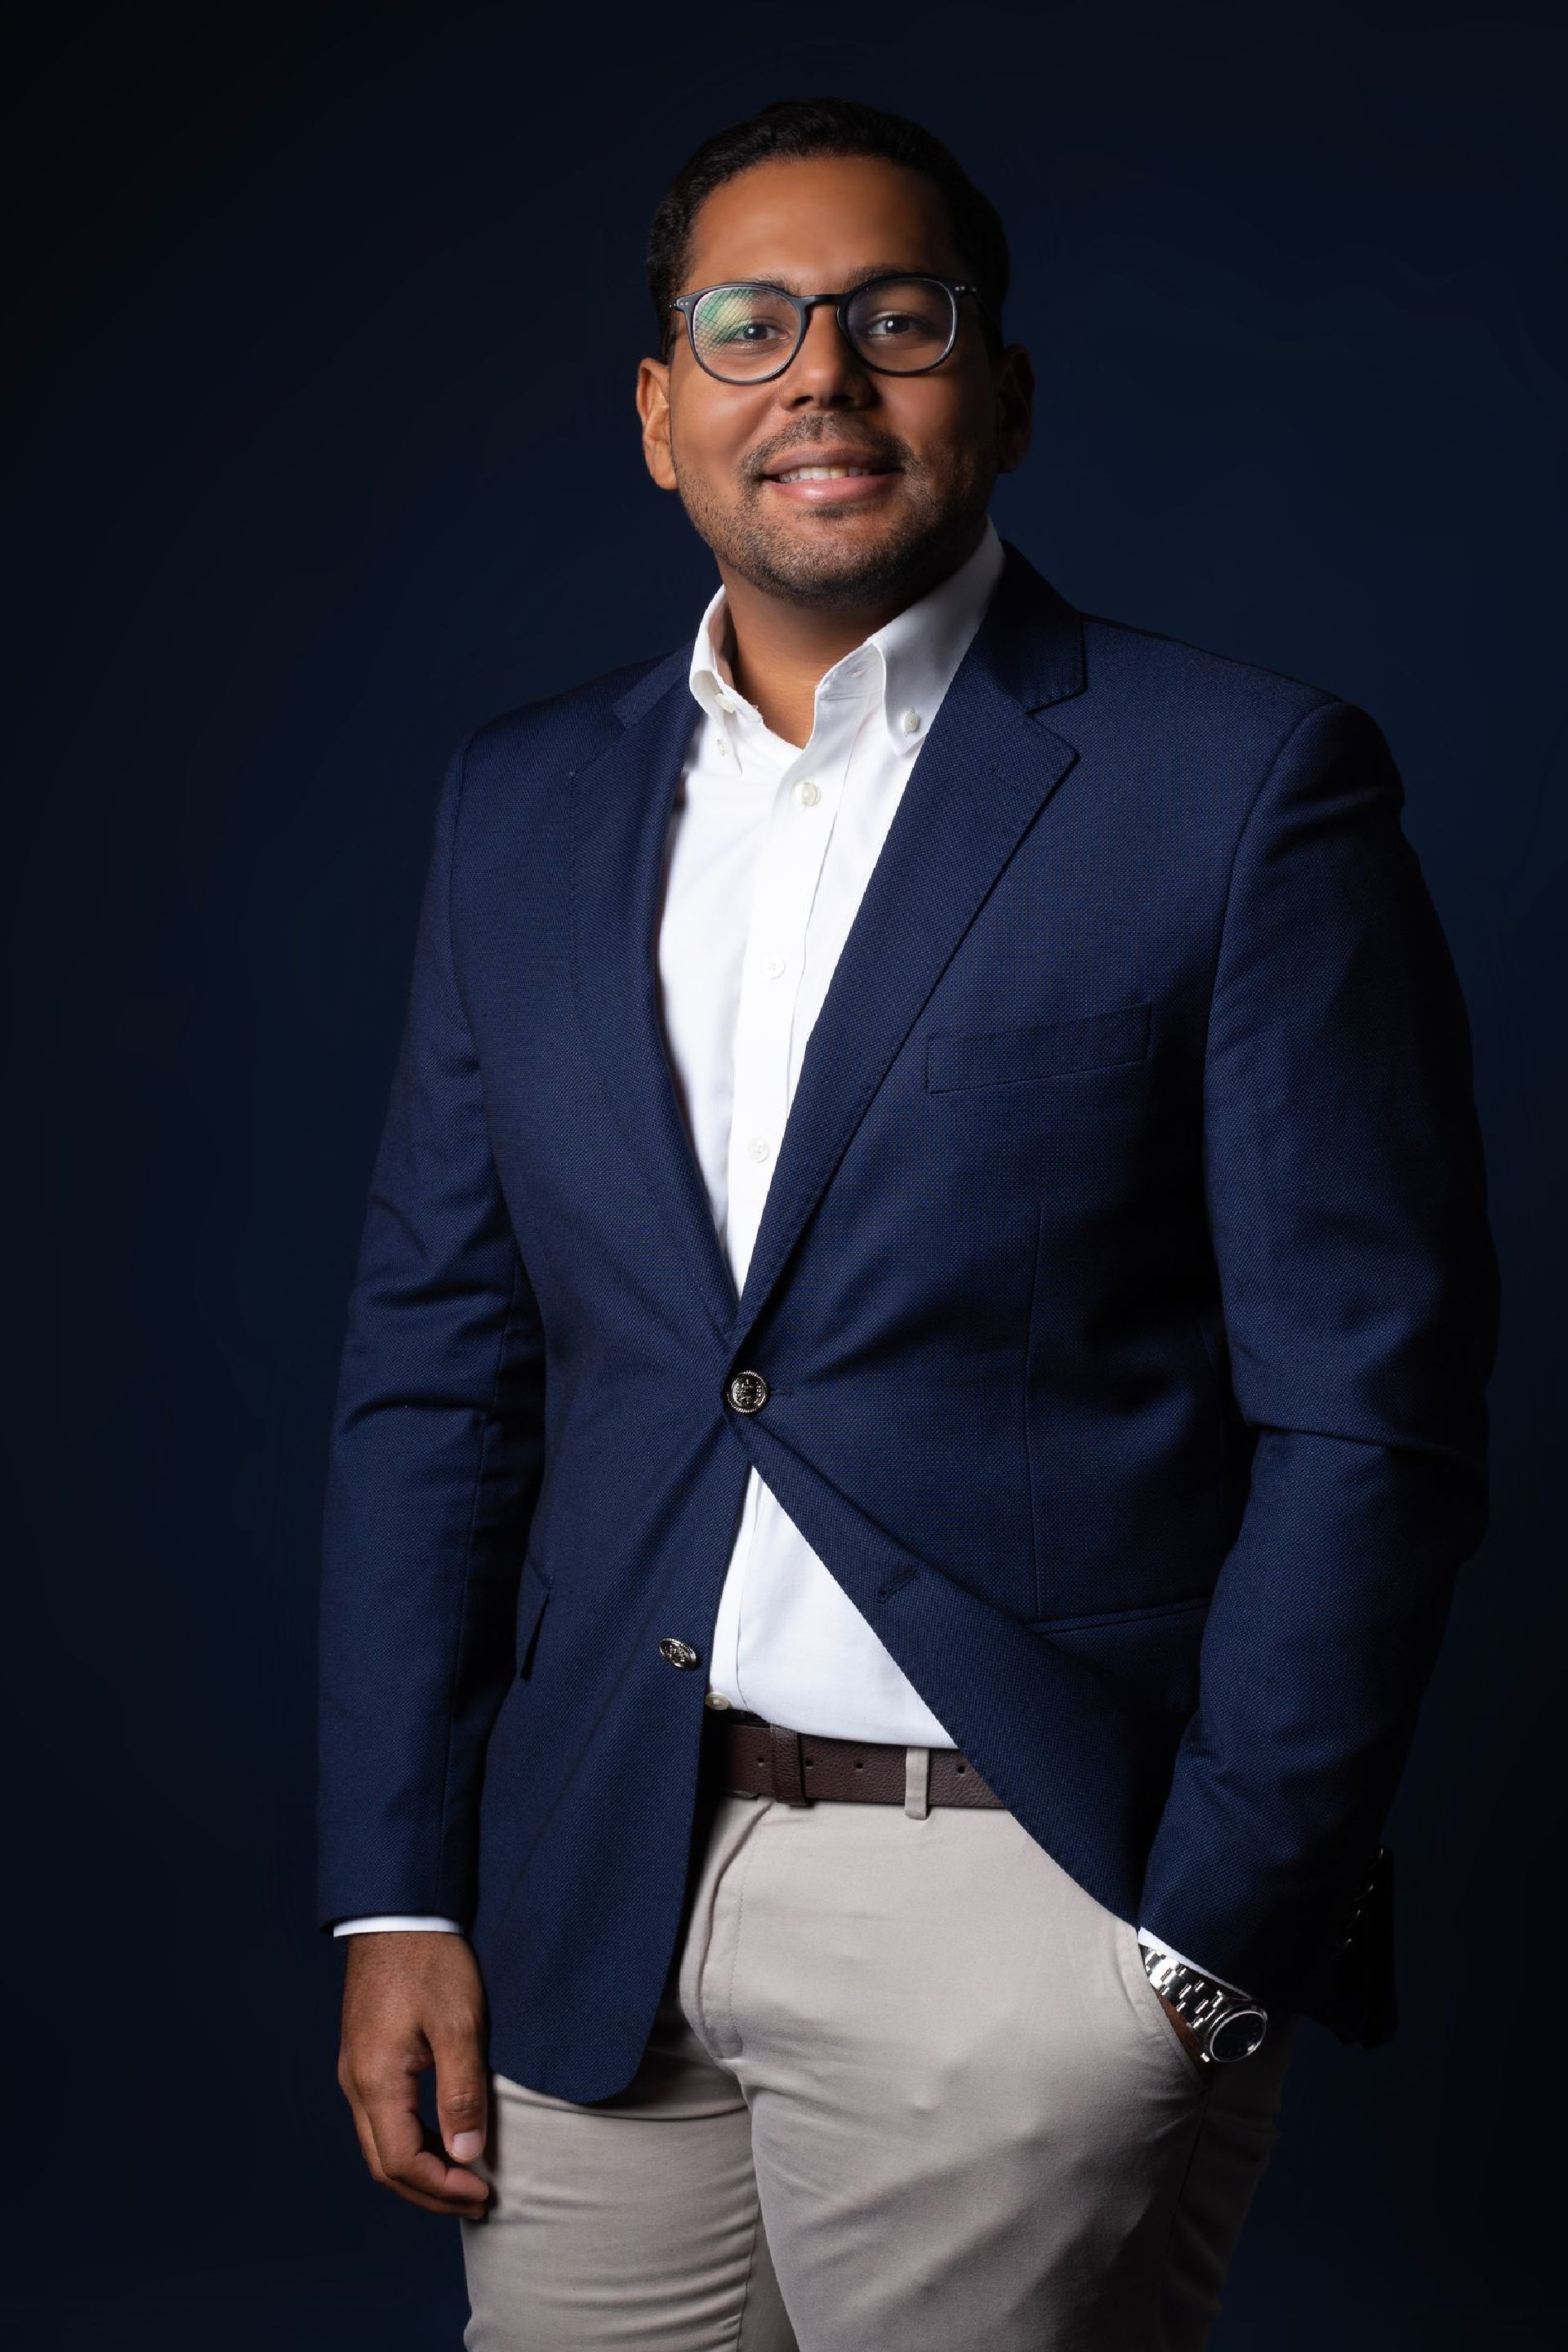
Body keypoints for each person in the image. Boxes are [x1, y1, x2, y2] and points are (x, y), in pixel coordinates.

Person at [318, 96, 1499, 2350]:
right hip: (590, 1900)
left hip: (1025, 1915)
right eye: (747, 325)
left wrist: (1204, 1944)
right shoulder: (518, 808)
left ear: (1005, 392)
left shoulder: (1239, 783)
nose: (822, 377)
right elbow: (438, 1377)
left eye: (898, 317)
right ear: (658, 412)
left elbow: (1375, 1412)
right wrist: (396, 1891)